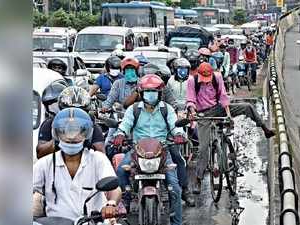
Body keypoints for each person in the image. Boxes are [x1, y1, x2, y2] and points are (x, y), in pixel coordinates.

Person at [186, 62, 276, 194]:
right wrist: (193, 112)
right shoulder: (192, 81)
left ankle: (264, 129)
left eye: (208, 79)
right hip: (202, 114)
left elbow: (223, 97)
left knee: (247, 107)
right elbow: (190, 100)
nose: (206, 82)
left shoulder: (217, 77)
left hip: (219, 109)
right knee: (203, 149)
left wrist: (228, 115)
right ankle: (198, 179)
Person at [113, 74, 185, 225]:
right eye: (147, 91)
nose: (150, 95)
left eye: (153, 92)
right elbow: (125, 125)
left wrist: (179, 134)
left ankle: (176, 222)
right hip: (137, 151)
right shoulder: (133, 109)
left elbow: (174, 125)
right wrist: (120, 134)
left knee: (175, 189)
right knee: (120, 171)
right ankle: (124, 202)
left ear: (160, 94)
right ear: (141, 93)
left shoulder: (167, 109)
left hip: (162, 152)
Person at [33, 108, 122, 221]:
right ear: (57, 135)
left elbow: (115, 189)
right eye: (65, 131)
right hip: (55, 223)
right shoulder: (45, 164)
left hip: (94, 221)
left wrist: (111, 204)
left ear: (86, 134)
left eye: (76, 132)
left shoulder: (98, 159)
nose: (71, 137)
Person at [36, 86, 105, 159]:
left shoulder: (92, 127)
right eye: (68, 112)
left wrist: (87, 143)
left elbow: (101, 156)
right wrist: (56, 141)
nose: (73, 116)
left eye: (79, 114)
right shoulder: (50, 123)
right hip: (55, 165)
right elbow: (40, 153)